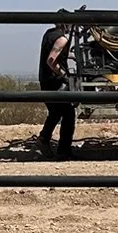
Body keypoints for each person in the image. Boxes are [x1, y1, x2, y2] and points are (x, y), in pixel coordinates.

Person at [36, 11, 77, 160]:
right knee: (68, 114)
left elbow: (54, 53)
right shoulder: (62, 39)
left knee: (55, 112)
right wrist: (63, 75)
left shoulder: (49, 34)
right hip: (55, 81)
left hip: (45, 79)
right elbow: (51, 60)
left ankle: (44, 139)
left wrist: (70, 56)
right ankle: (63, 151)